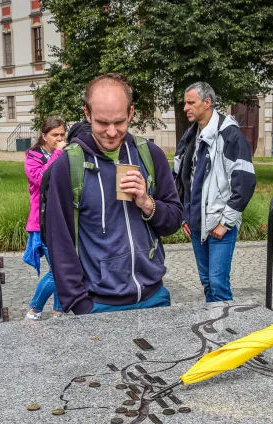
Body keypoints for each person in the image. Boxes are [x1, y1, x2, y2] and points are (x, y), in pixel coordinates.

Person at [45, 74, 183, 314]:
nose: (111, 132)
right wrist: (80, 304)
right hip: (99, 305)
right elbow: (59, 241)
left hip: (155, 298)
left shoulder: (150, 155)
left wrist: (148, 203)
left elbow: (173, 221)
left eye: (119, 122)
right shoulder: (67, 166)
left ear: (131, 113)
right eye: (102, 123)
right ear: (87, 114)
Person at [173, 82, 256, 302]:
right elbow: (181, 179)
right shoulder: (190, 136)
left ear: (207, 102)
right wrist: (184, 216)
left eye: (191, 102)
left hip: (219, 225)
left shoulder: (230, 136)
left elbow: (244, 183)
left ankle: (226, 331)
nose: (185, 108)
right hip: (196, 223)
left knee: (218, 284)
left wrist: (225, 224)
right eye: (185, 103)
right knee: (208, 283)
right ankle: (211, 329)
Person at [23, 115, 67, 319]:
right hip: (43, 222)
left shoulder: (64, 154)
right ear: (44, 136)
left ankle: (58, 311)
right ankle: (34, 309)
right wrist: (58, 153)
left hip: (62, 219)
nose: (59, 138)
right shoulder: (32, 156)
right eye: (55, 134)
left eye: (62, 134)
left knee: (63, 267)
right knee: (58, 270)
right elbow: (41, 179)